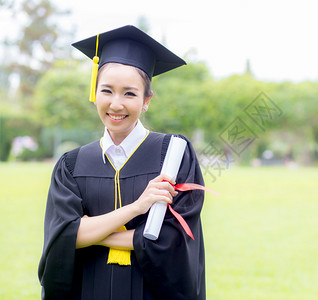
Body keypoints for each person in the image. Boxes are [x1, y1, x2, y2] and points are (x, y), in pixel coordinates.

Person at [38, 25, 206, 300]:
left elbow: (173, 241)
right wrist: (137, 208)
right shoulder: (71, 165)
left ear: (147, 100)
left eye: (129, 93)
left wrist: (88, 231)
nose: (116, 104)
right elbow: (62, 239)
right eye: (107, 91)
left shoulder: (173, 155)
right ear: (95, 93)